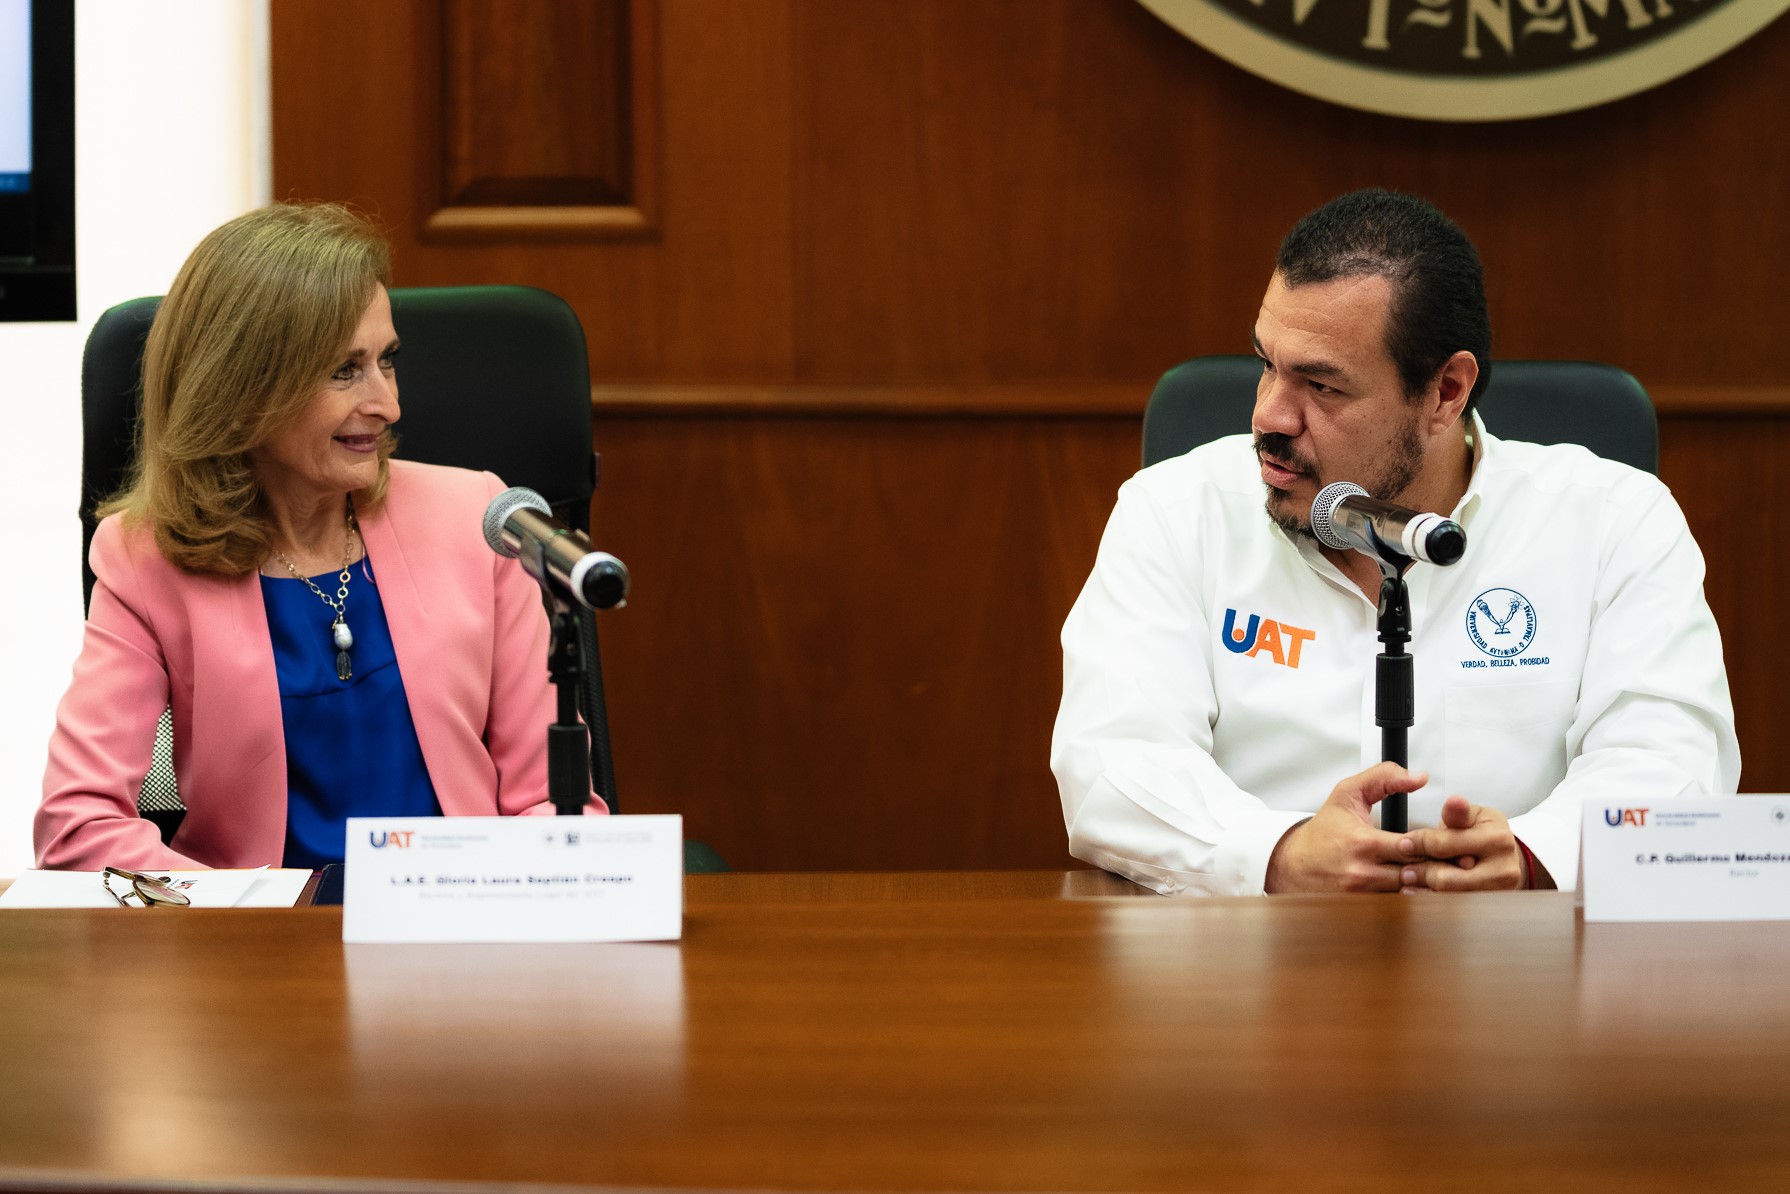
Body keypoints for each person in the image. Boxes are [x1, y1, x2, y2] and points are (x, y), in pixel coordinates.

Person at [1051, 189, 1738, 897]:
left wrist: (1535, 859)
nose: (1268, 416)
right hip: (1250, 966)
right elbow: (1113, 763)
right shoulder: (1174, 510)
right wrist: (1276, 854)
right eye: (1266, 364)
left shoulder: (1614, 521)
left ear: (1445, 391)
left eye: (1321, 385)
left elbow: (1673, 766)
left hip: (1518, 975)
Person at [37, 203, 603, 871]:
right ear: (242, 390)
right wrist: (252, 931)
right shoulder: (145, 558)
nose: (388, 404)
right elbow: (81, 825)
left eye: (386, 361)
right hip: (252, 952)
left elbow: (549, 804)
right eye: (344, 370)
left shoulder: (479, 520)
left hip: (456, 937)